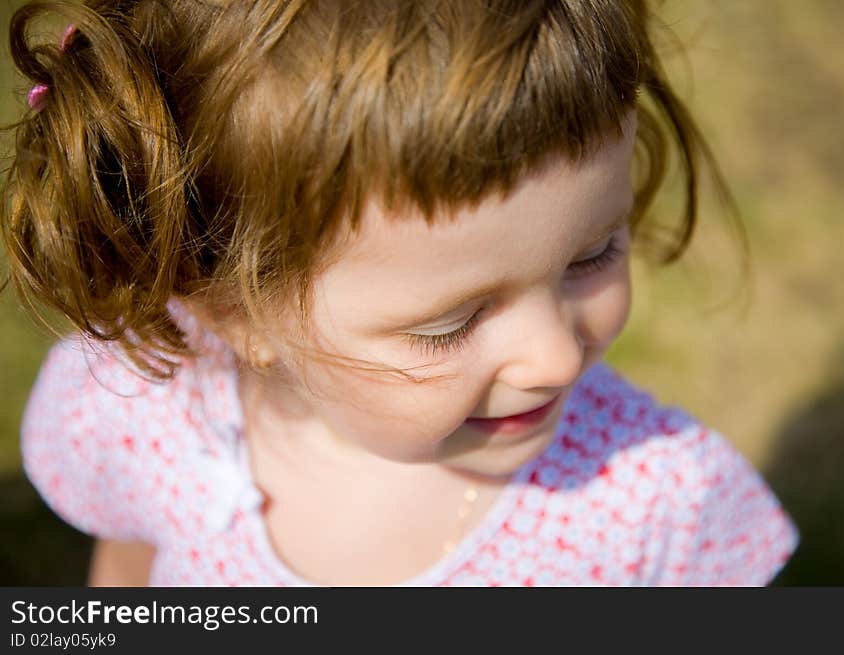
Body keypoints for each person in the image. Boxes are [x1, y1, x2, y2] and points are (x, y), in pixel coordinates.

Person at [2, 0, 797, 586]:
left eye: (593, 255)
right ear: (235, 312)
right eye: (453, 323)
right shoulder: (148, 418)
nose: (557, 357)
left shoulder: (653, 505)